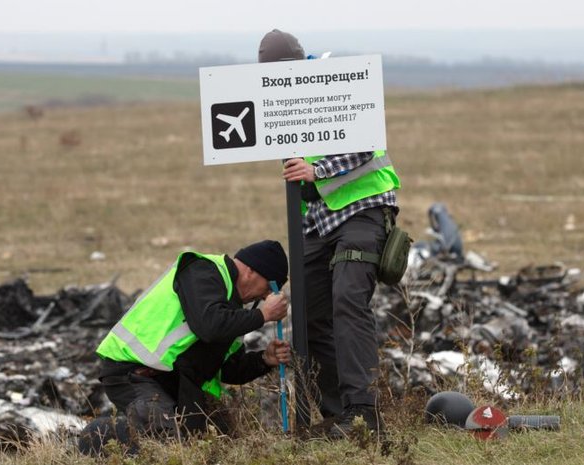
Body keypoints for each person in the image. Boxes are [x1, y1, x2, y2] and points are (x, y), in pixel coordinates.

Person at [259, 29, 401, 438]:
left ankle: (363, 414)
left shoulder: (337, 81)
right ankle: (337, 414)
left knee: (347, 301)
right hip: (318, 221)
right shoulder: (278, 99)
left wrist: (317, 170)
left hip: (363, 208)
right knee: (308, 311)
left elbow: (365, 144)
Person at [86, 240, 291, 452]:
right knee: (165, 443)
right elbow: (209, 326)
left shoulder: (234, 309)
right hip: (134, 372)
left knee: (218, 446)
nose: (267, 296)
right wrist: (262, 315)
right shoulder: (202, 270)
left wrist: (264, 359)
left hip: (176, 383)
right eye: (269, 287)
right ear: (251, 271)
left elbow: (227, 368)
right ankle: (99, 436)